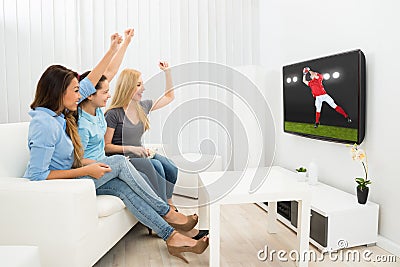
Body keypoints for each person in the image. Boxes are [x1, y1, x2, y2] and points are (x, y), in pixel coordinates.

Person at [23, 34, 208, 263]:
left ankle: (171, 237)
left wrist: (115, 49)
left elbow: (104, 76)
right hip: (67, 183)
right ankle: (169, 213)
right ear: (58, 92)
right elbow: (37, 176)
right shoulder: (44, 124)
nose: (79, 94)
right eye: (75, 90)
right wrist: (85, 170)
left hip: (81, 175)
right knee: (121, 163)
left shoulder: (61, 114)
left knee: (124, 189)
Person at [104, 63, 178, 208]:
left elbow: (169, 97)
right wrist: (132, 148)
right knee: (156, 166)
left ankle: (169, 203)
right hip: (125, 156)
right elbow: (107, 147)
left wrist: (167, 73)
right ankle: (164, 210)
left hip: (141, 152)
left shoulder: (143, 106)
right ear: (127, 87)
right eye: (138, 85)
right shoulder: (113, 114)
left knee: (171, 168)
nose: (143, 88)